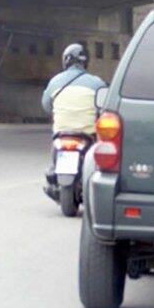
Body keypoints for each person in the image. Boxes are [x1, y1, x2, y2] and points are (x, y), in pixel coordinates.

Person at [41, 42, 107, 202]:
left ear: (66, 61)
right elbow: (105, 107)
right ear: (85, 62)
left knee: (54, 148)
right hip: (87, 135)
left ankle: (53, 169)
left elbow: (46, 106)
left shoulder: (55, 81)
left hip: (61, 133)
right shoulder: (97, 83)